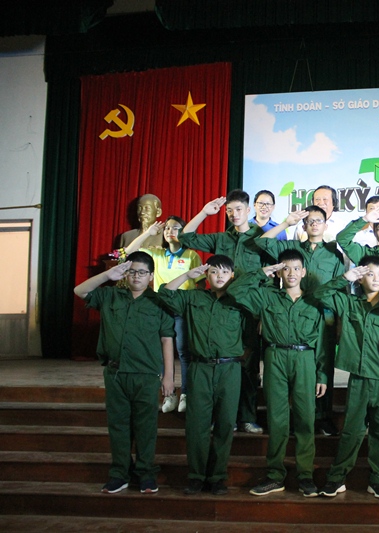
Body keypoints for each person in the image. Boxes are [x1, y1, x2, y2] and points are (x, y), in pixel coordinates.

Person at [226, 250, 327, 498]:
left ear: (304, 272)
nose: (291, 273)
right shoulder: (267, 297)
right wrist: (261, 273)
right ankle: (275, 475)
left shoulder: (314, 301)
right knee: (277, 419)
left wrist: (322, 375)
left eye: (296, 268)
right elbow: (235, 291)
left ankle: (305, 476)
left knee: (305, 418)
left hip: (304, 358)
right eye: (286, 268)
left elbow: (322, 341)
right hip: (275, 357)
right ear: (279, 272)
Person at [73, 251, 174, 495]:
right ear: (125, 274)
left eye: (142, 272)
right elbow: (80, 290)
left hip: (146, 375)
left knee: (145, 427)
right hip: (116, 373)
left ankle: (146, 473)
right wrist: (107, 275)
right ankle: (119, 474)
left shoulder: (160, 302)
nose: (136, 276)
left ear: (151, 276)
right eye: (132, 271)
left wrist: (169, 376)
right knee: (118, 426)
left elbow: (166, 339)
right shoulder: (110, 296)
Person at [158, 255, 251, 496]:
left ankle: (218, 477)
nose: (219, 276)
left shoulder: (239, 300)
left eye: (225, 272)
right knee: (196, 424)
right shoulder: (193, 298)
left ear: (232, 276)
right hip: (200, 368)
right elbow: (165, 293)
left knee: (225, 424)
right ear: (206, 275)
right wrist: (187, 275)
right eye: (214, 271)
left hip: (230, 369)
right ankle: (196, 476)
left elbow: (250, 335)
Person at [179, 189, 269, 434]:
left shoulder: (261, 239)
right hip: (220, 308)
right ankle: (216, 416)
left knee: (248, 365)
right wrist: (203, 213)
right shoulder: (220, 239)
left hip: (248, 311)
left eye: (238, 209)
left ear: (248, 210)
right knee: (218, 364)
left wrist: (263, 314)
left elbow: (268, 278)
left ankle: (246, 417)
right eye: (229, 211)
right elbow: (185, 237)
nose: (234, 214)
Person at [316, 257, 379, 499]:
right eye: (370, 274)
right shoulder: (349, 303)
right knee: (351, 431)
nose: (376, 279)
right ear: (360, 278)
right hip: (358, 378)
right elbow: (320, 295)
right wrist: (344, 278)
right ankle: (336, 479)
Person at [256, 206, 346, 436]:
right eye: (310, 221)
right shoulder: (293, 248)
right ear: (304, 226)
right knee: (294, 370)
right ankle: (290, 417)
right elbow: (262, 243)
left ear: (326, 225)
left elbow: (340, 289)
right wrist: (286, 223)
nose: (314, 224)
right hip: (290, 313)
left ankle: (322, 417)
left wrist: (339, 322)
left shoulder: (333, 254)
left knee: (323, 366)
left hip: (324, 316)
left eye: (319, 220)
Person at [123, 217, 202, 414]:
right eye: (167, 228)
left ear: (183, 231)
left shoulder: (192, 255)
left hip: (182, 309)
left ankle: (185, 393)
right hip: (160, 308)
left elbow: (200, 285)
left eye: (175, 228)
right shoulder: (157, 253)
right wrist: (148, 233)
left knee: (184, 352)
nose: (170, 231)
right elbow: (129, 253)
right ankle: (169, 394)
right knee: (160, 352)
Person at [337, 205, 379, 294]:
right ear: (374, 232)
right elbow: (342, 239)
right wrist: (364, 219)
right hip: (367, 302)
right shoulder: (364, 253)